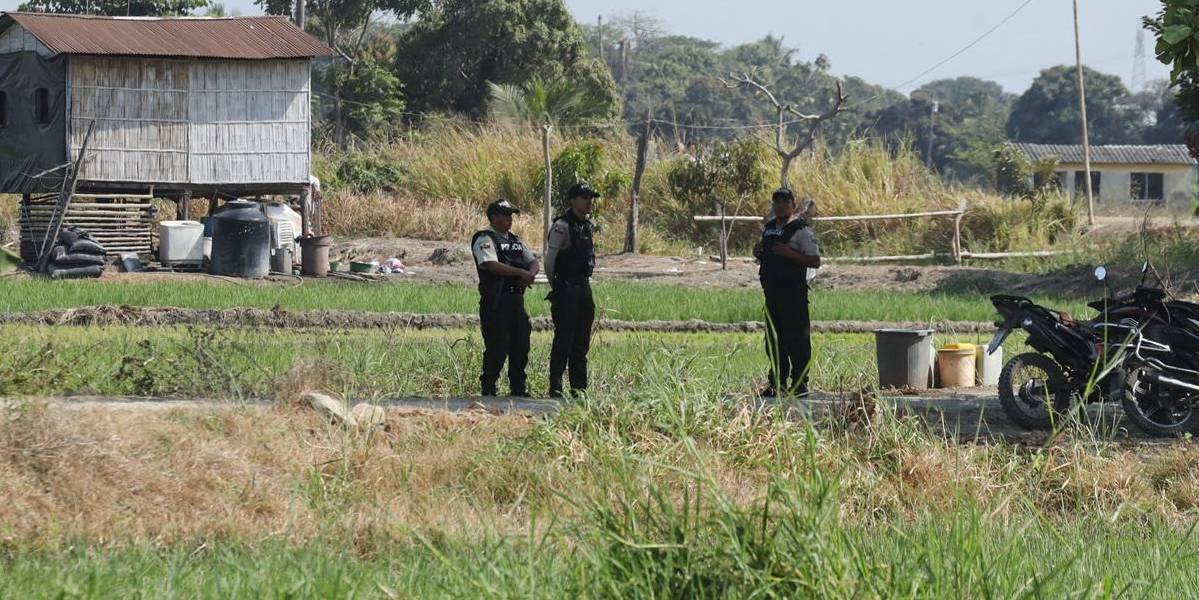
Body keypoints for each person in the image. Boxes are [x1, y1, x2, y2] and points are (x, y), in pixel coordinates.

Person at [754, 188, 821, 397]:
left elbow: (815, 261)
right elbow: (765, 256)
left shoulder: (802, 231)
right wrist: (758, 252)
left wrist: (788, 253)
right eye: (777, 202)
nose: (780, 205)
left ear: (793, 205)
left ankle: (800, 384)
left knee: (798, 341)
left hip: (794, 296)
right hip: (772, 296)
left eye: (785, 202)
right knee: (774, 341)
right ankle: (777, 383)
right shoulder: (769, 228)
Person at [471, 199, 539, 397]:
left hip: (516, 300)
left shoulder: (515, 241)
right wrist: (520, 273)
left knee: (521, 345)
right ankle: (489, 388)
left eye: (511, 215)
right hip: (496, 301)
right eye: (505, 214)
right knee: (498, 346)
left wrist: (529, 275)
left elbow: (533, 262)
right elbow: (490, 264)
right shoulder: (484, 239)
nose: (510, 219)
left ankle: (518, 389)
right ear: (493, 217)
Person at [543, 182, 600, 398]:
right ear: (573, 200)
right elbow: (550, 262)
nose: (589, 202)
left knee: (581, 341)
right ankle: (555, 385)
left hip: (583, 289)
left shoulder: (586, 226)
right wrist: (557, 287)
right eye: (584, 197)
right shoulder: (562, 226)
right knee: (564, 340)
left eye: (591, 197)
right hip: (566, 288)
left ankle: (579, 389)